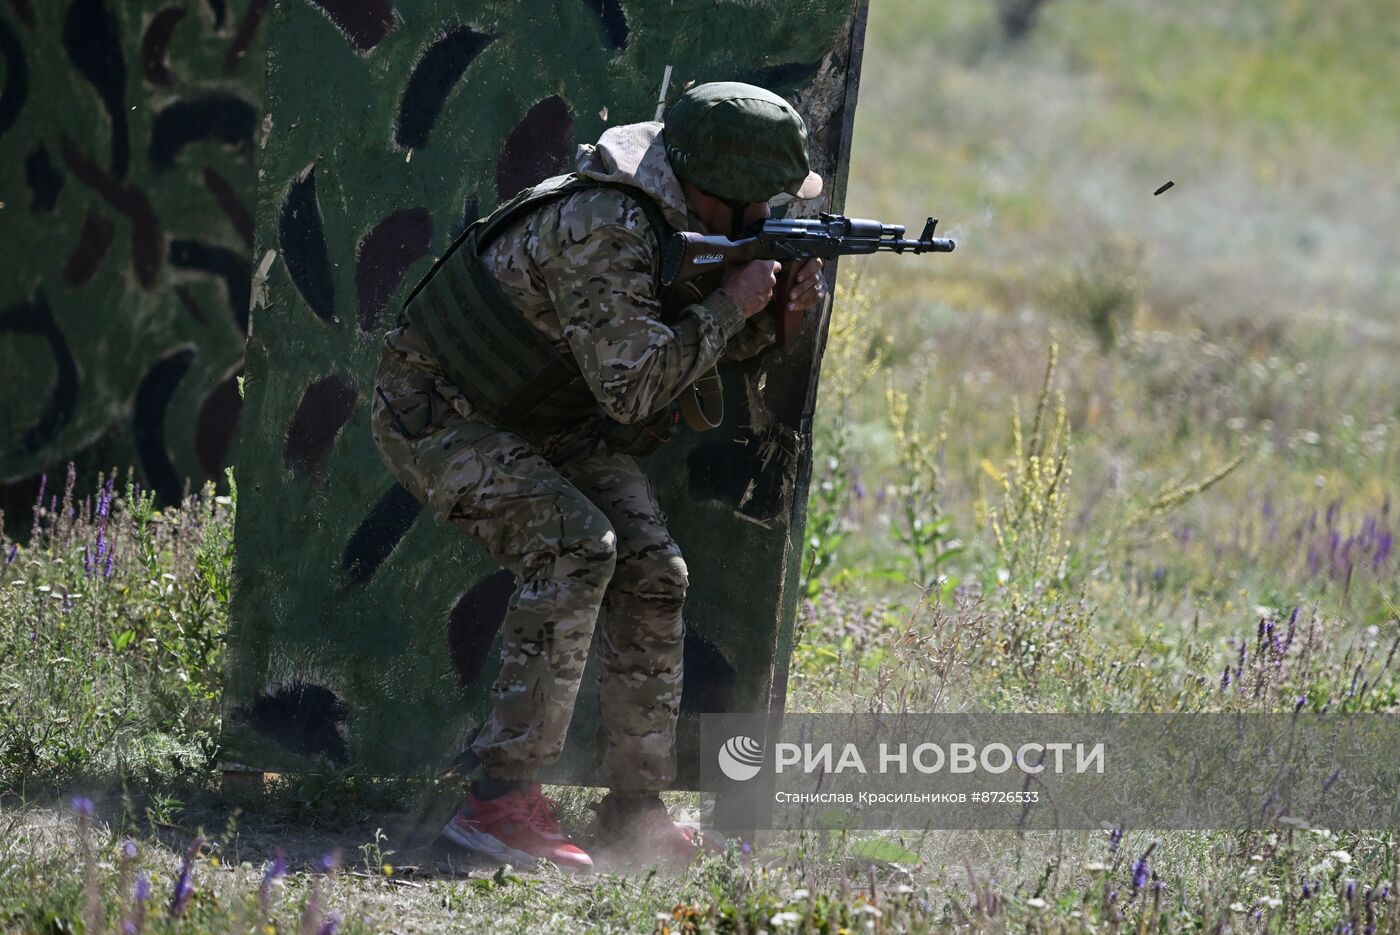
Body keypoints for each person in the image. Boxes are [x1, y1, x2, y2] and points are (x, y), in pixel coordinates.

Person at [369, 81, 826, 872]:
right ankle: (500, 802)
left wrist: (767, 323)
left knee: (656, 569)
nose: (775, 215)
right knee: (577, 545)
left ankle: (634, 806)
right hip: (440, 411)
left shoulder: (680, 203)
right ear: (716, 197)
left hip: (539, 410)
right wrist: (733, 306)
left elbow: (663, 350)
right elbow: (636, 388)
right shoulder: (605, 226)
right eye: (765, 203)